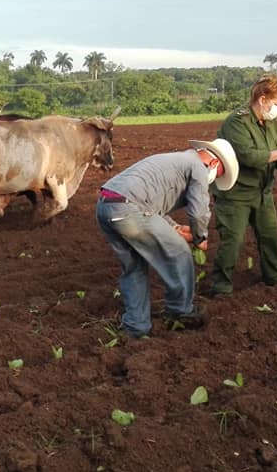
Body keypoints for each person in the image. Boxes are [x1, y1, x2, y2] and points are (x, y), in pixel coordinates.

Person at [96, 139, 238, 338]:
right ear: (214, 164)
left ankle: (136, 328)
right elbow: (198, 212)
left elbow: (151, 206)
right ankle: (180, 312)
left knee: (134, 267)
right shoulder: (198, 166)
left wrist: (175, 227)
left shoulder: (175, 160)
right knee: (179, 251)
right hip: (128, 208)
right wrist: (200, 237)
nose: (212, 180)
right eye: (218, 176)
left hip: (105, 205)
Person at [207, 74, 277, 297]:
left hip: (262, 191)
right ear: (262, 99)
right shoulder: (236, 122)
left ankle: (274, 280)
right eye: (276, 104)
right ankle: (221, 288)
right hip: (235, 193)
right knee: (232, 242)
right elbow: (249, 156)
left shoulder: (272, 123)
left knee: (269, 237)